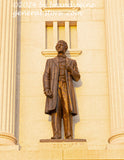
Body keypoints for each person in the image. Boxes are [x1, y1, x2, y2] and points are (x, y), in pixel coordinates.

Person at [43, 40, 80, 139]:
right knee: (55, 110)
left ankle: (68, 135)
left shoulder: (72, 62)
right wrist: (46, 88)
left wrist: (70, 70)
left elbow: (77, 77)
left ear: (65, 48)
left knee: (67, 110)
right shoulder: (50, 61)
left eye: (61, 44)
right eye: (58, 45)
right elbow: (46, 75)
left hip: (66, 87)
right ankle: (56, 134)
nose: (59, 46)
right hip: (54, 88)